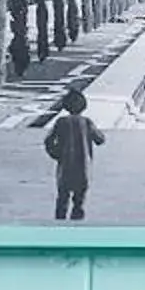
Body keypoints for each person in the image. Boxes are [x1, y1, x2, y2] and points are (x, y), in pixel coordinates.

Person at [43, 85, 102, 221]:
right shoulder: (87, 123)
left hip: (65, 166)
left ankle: (59, 225)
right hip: (82, 167)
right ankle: (76, 225)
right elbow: (100, 139)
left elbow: (48, 141)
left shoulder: (61, 122)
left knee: (62, 198)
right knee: (79, 201)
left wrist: (55, 154)